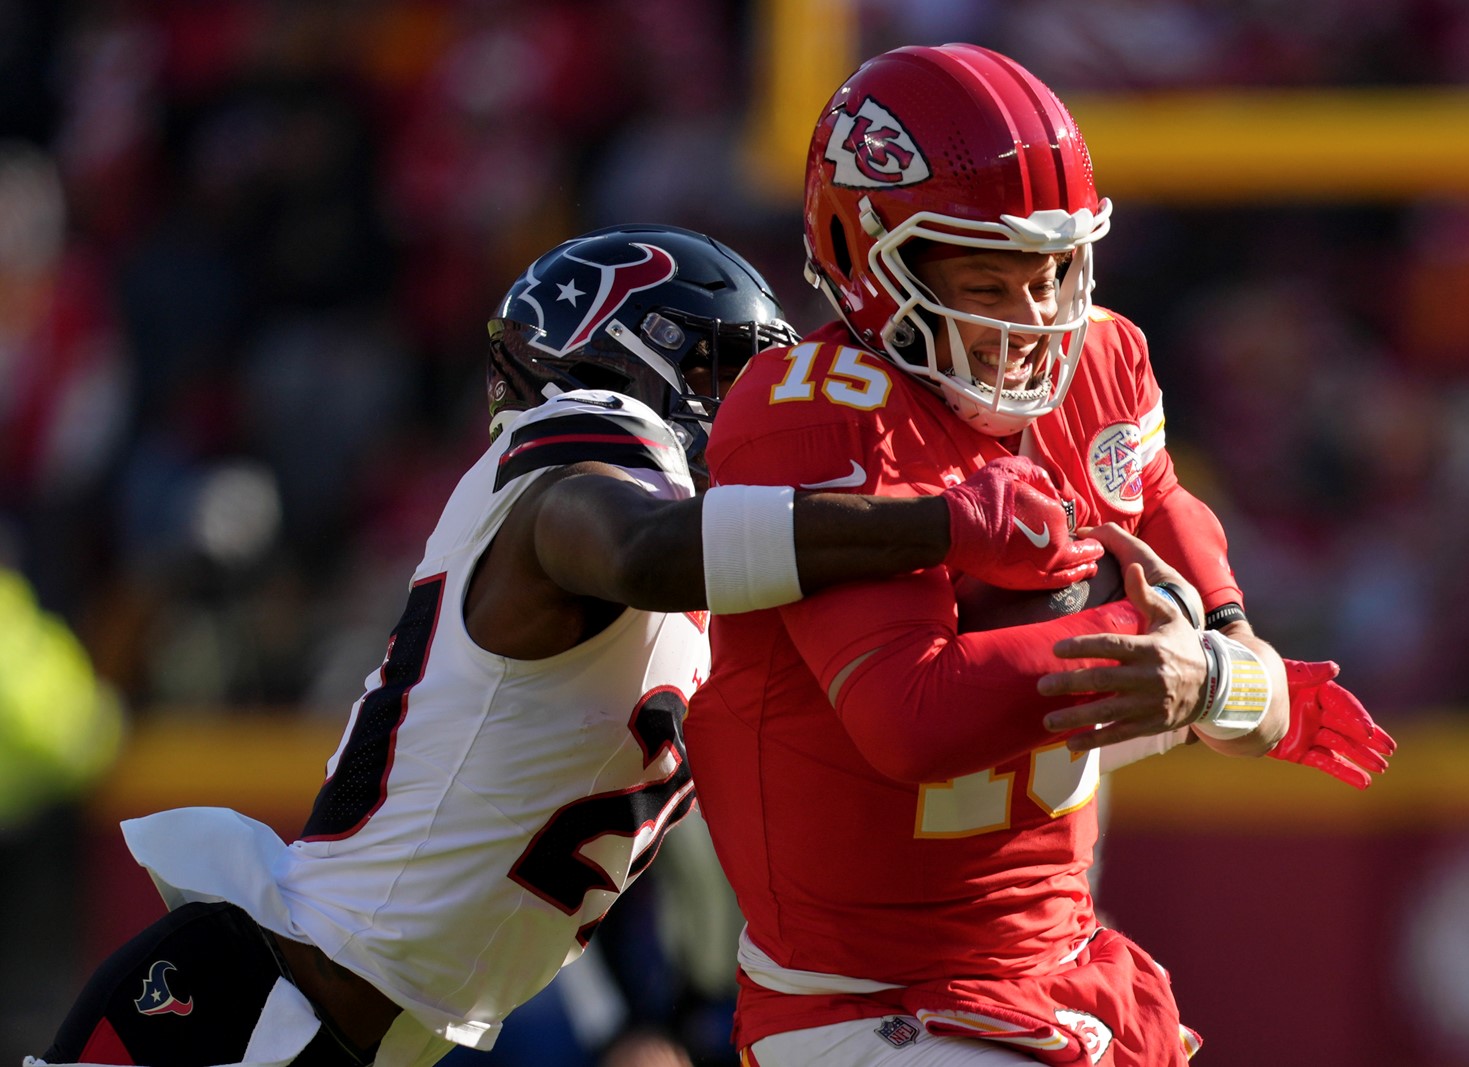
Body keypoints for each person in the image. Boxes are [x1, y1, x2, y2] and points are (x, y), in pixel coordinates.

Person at [27, 223, 1110, 1067]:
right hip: (246, 1009)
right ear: (638, 357)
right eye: (735, 372)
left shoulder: (713, 593)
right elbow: (635, 545)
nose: (763, 410)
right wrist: (937, 520)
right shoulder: (575, 467)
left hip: (376, 1032)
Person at [683, 44, 1396, 1066]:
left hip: (1058, 968)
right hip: (872, 1003)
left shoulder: (1099, 356)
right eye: (987, 279)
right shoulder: (815, 411)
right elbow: (912, 717)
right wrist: (1148, 644)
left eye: (1052, 271)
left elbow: (1162, 516)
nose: (1032, 322)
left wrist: (1225, 656)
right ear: (865, 252)